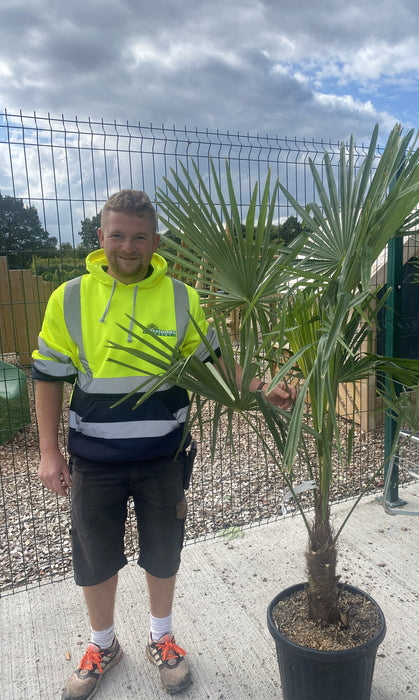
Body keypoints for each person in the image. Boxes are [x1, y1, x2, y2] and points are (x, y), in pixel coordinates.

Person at [33, 189, 295, 700]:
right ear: (100, 237)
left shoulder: (181, 298)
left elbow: (218, 361)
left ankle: (162, 638)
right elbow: (48, 376)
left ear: (155, 242)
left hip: (164, 457)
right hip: (95, 459)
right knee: (95, 557)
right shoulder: (69, 298)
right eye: (117, 235)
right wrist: (47, 451)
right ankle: (102, 645)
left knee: (163, 553)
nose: (127, 247)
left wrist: (262, 387)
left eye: (138, 237)